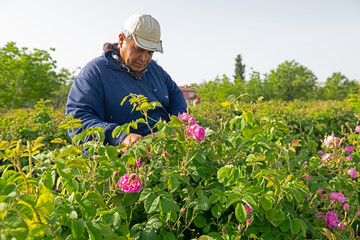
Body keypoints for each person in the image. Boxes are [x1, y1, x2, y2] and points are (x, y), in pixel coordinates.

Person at [66, 13, 187, 149]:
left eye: (150, 52)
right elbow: (78, 119)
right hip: (126, 158)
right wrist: (120, 137)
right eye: (139, 49)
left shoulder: (154, 69)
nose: (144, 58)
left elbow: (175, 93)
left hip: (164, 149)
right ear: (122, 39)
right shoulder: (95, 72)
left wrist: (178, 123)